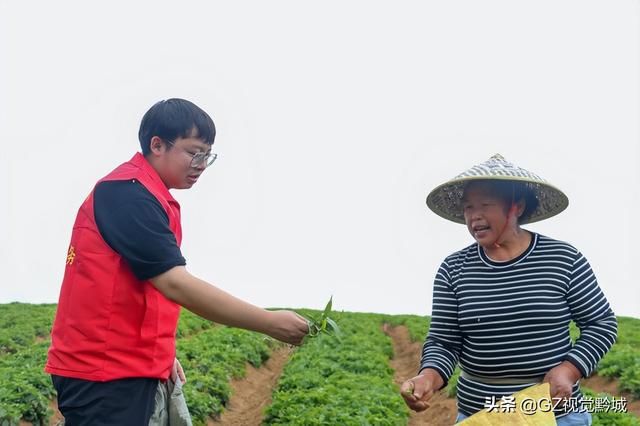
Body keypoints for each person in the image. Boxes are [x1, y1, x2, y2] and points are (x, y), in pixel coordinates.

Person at [45, 98, 309, 425]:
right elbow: (173, 283)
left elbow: (138, 288)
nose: (200, 164)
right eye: (193, 152)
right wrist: (269, 322)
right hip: (105, 373)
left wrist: (159, 354)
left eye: (207, 155)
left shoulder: (149, 194)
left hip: (125, 367)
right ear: (157, 144)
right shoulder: (127, 194)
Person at [400, 154, 617, 425]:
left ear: (517, 206)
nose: (474, 216)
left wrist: (569, 370)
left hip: (556, 414)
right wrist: (428, 377)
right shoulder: (454, 269)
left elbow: (601, 323)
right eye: (468, 208)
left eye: (485, 205)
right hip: (480, 415)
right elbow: (444, 341)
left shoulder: (563, 258)